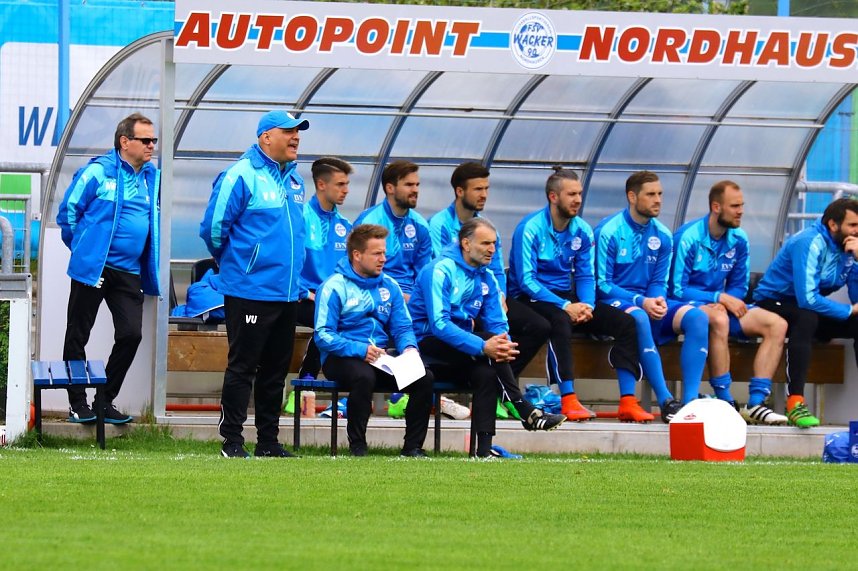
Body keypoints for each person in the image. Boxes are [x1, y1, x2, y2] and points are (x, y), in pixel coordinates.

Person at [200, 110, 309, 458]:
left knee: (276, 370)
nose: (295, 137)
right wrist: (237, 264)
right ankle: (232, 440)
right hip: (249, 290)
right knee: (243, 366)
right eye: (288, 131)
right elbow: (213, 229)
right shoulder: (240, 175)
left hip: (286, 292)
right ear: (265, 137)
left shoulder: (295, 181)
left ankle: (268, 442)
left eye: (298, 132)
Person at [409, 218, 566, 459]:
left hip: (461, 350)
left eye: (494, 243)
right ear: (466, 244)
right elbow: (439, 326)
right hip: (427, 346)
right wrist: (483, 346)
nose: (492, 249)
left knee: (487, 373)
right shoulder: (439, 270)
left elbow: (498, 323)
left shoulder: (486, 276)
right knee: (488, 343)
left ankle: (483, 451)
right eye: (485, 243)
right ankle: (525, 410)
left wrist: (502, 346)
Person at [508, 167, 652, 423]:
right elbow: (526, 281)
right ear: (553, 197)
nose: (577, 199)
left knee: (626, 323)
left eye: (580, 194)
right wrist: (565, 305)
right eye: (571, 194)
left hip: (567, 297)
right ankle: (568, 399)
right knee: (558, 321)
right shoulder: (529, 228)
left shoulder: (583, 230)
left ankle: (628, 401)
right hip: (531, 298)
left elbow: (586, 275)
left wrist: (586, 304)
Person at [56, 112, 161, 425]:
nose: (151, 145)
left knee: (131, 334)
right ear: (124, 141)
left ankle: (104, 400)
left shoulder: (152, 177)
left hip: (129, 272)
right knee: (78, 335)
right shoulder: (98, 173)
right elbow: (68, 214)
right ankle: (77, 404)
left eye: (154, 140)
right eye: (145, 140)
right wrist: (85, 250)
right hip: (95, 268)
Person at [669, 180, 788, 425]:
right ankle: (725, 399)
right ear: (716, 207)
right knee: (719, 318)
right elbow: (676, 289)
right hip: (688, 306)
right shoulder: (688, 237)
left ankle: (756, 403)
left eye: (742, 205)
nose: (741, 211)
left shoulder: (739, 239)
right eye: (735, 206)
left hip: (720, 306)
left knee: (777, 324)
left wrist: (726, 299)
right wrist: (717, 298)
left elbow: (739, 285)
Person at [594, 170, 706, 423]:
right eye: (651, 194)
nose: (658, 200)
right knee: (639, 318)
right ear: (632, 197)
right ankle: (666, 400)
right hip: (616, 303)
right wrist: (641, 302)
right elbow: (602, 284)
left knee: (697, 318)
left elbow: (658, 281)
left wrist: (657, 300)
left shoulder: (663, 235)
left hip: (647, 302)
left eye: (660, 194)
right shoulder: (608, 231)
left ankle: (689, 403)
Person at [314, 224, 433, 457]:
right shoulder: (333, 286)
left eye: (384, 253)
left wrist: (409, 349)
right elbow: (323, 335)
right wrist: (359, 349)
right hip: (341, 358)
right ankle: (358, 445)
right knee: (363, 376)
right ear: (357, 255)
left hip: (380, 358)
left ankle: (413, 448)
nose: (383, 259)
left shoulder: (390, 285)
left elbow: (403, 327)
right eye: (376, 253)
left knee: (424, 377)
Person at [429, 161, 550, 380]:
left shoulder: (486, 226)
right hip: (458, 298)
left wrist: (500, 295)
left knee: (539, 326)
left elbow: (496, 269)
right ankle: (497, 387)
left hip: (486, 293)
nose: (484, 194)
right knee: (484, 329)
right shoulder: (439, 224)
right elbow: (441, 269)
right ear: (459, 191)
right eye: (478, 189)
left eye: (486, 188)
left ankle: (501, 388)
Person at [753, 197, 858, 428]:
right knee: (806, 317)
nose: (857, 231)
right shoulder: (810, 242)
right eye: (853, 225)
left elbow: (856, 298)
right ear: (833, 224)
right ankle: (795, 402)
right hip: (772, 301)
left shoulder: (849, 249)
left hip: (804, 307)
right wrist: (848, 310)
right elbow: (807, 299)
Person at [295, 157, 354, 380]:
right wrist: (305, 292)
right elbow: (286, 264)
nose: (346, 190)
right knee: (332, 319)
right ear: (321, 184)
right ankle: (306, 381)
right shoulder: (300, 218)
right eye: (340, 184)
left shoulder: (345, 226)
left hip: (330, 300)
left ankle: (349, 390)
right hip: (301, 299)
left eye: (347, 184)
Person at [353, 160, 431, 299]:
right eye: (409, 185)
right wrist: (397, 295)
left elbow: (424, 274)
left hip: (411, 297)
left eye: (417, 185)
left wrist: (419, 299)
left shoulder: (420, 225)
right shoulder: (369, 222)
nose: (415, 190)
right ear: (390, 188)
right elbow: (359, 272)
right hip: (376, 293)